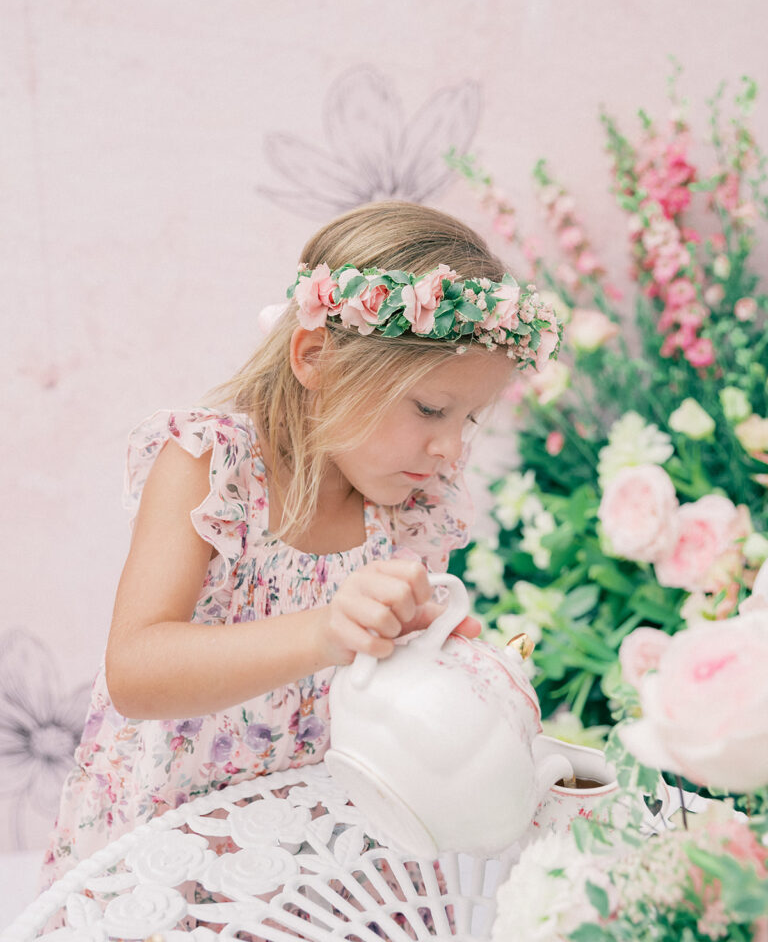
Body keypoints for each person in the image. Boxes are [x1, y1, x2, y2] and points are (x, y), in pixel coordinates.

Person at [41, 200, 560, 888]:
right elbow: (135, 673)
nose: (449, 447)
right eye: (431, 409)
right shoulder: (210, 467)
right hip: (173, 845)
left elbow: (387, 679)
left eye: (469, 418)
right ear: (316, 358)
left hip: (323, 848)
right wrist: (326, 629)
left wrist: (452, 667)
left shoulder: (412, 509)